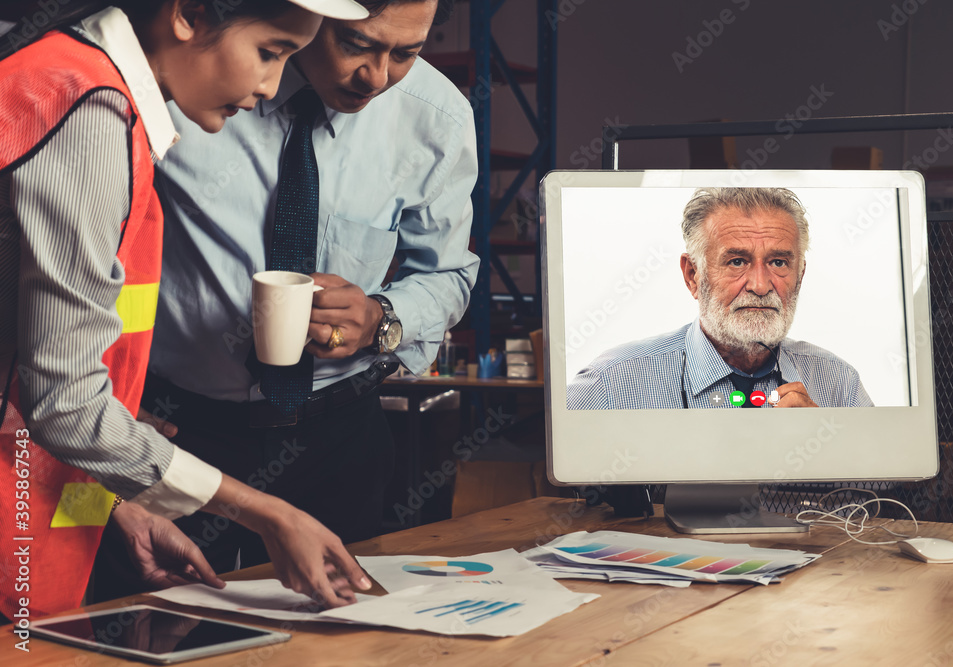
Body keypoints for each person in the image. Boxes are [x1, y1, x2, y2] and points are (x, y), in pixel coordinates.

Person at [0, 0, 375, 621]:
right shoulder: (87, 111)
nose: (270, 87)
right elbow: (63, 403)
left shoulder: (83, 87)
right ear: (190, 14)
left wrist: (122, 504)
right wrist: (266, 513)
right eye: (270, 52)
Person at [92, 0, 478, 594]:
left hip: (339, 437)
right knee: (157, 631)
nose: (376, 77)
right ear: (313, 14)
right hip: (176, 430)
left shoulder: (436, 117)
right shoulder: (193, 78)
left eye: (406, 53)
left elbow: (449, 275)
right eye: (357, 44)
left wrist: (382, 318)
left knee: (339, 640)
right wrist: (105, 404)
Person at [567, 187, 874, 410]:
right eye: (737, 261)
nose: (760, 285)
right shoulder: (611, 385)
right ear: (692, 276)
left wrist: (832, 450)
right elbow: (557, 491)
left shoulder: (839, 385)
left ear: (800, 276)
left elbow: (889, 494)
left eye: (778, 262)